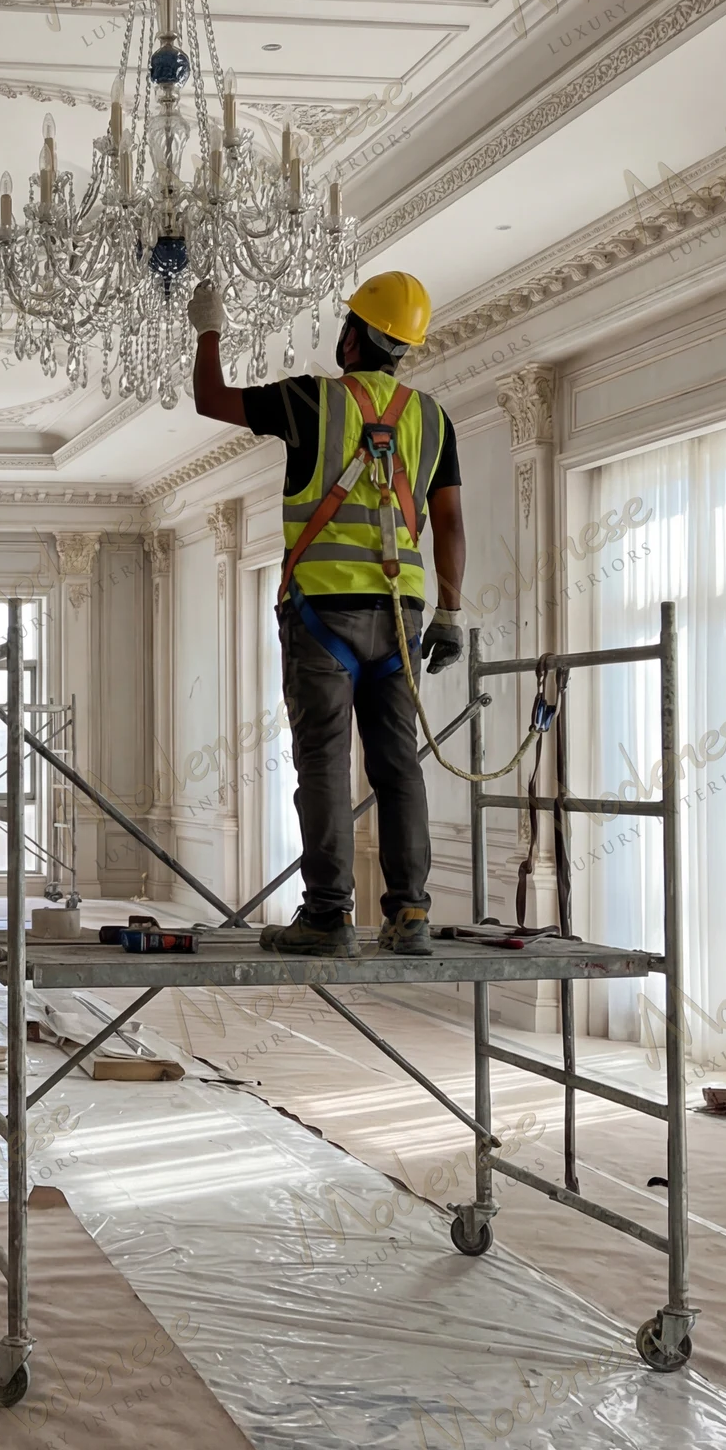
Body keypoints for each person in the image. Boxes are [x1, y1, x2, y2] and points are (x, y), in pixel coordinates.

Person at [188, 272, 466, 957]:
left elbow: (211, 399)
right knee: (399, 764)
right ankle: (410, 916)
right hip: (402, 618)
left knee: (324, 761)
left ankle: (327, 916)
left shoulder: (313, 400)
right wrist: (453, 611)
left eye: (344, 325)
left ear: (353, 337)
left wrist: (208, 327)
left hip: (323, 618)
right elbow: (450, 522)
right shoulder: (431, 418)